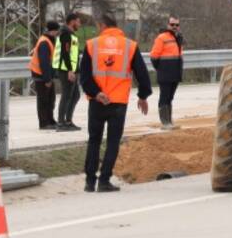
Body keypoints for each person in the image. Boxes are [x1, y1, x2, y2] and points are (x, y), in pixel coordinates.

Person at [79, 13, 151, 192]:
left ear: (102, 25)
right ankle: (104, 181)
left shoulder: (91, 45)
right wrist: (143, 96)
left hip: (97, 102)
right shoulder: (130, 46)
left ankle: (89, 182)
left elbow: (85, 77)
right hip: (118, 102)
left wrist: (96, 93)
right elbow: (142, 75)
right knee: (112, 141)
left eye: (97, 26)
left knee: (94, 140)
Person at [150, 16, 185, 131]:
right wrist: (161, 68)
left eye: (177, 25)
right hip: (165, 73)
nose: (174, 27)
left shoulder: (179, 38)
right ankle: (165, 122)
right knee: (164, 97)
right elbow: (154, 57)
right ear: (168, 25)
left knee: (170, 97)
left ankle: (169, 121)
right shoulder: (161, 38)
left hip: (175, 73)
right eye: (172, 24)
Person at [56, 12, 84, 130]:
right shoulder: (65, 34)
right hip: (66, 70)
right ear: (72, 21)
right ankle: (61, 123)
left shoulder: (71, 34)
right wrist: (69, 70)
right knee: (67, 96)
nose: (80, 24)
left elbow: (72, 52)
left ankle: (68, 121)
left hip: (71, 69)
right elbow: (65, 53)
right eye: (78, 21)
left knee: (75, 95)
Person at [30, 20, 59, 130]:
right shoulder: (44, 42)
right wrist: (47, 79)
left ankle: (50, 120)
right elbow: (44, 62)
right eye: (56, 31)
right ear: (53, 31)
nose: (57, 33)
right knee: (43, 100)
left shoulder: (49, 40)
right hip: (41, 75)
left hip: (46, 75)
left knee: (51, 99)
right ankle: (44, 123)